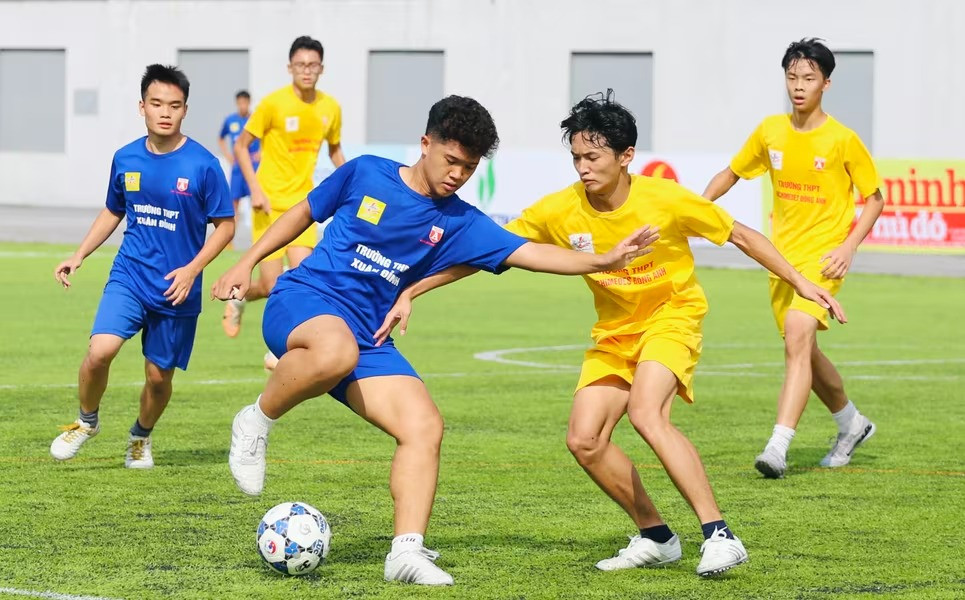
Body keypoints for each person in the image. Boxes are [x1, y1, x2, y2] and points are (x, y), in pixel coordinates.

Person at [375, 91, 846, 577]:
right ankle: (657, 537)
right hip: (616, 333)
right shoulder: (561, 209)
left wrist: (802, 283)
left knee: (646, 412)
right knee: (585, 440)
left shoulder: (666, 199)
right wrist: (414, 289)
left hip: (671, 317)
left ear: (625, 157)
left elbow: (742, 235)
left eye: (593, 157)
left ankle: (721, 536)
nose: (583, 167)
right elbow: (493, 251)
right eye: (577, 157)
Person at [211, 95, 659, 585]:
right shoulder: (366, 172)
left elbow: (531, 253)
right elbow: (302, 214)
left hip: (368, 337)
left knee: (424, 427)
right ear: (426, 144)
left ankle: (405, 552)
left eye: (469, 167)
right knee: (335, 349)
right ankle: (255, 420)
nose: (457, 175)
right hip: (303, 300)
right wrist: (246, 261)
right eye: (451, 160)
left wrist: (602, 260)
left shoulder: (461, 221)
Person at [702, 38, 884, 479]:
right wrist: (694, 209)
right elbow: (731, 173)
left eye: (808, 78)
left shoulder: (842, 139)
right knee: (804, 349)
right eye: (792, 77)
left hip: (823, 260)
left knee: (799, 335)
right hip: (780, 261)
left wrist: (848, 247)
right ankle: (852, 423)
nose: (799, 86)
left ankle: (777, 447)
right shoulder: (770, 131)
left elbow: (875, 198)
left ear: (826, 83)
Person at [50, 64, 234, 469]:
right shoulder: (126, 158)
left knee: (158, 378)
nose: (165, 112)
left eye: (174, 105)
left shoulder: (203, 165)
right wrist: (79, 254)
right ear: (142, 107)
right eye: (156, 103)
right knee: (100, 352)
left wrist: (192, 269)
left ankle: (140, 436)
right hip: (130, 276)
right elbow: (113, 210)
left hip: (176, 288)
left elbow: (226, 226)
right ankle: (86, 422)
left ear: (185, 110)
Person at [223, 35, 346, 372]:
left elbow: (335, 149)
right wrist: (255, 189)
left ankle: (280, 349)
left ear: (322, 69)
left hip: (304, 205)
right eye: (300, 65)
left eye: (313, 65)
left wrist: (352, 181)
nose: (307, 70)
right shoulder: (272, 104)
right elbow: (241, 146)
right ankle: (238, 299)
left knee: (304, 278)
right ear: (290, 67)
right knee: (269, 284)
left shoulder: (330, 108)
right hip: (268, 205)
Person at [218, 90, 260, 243]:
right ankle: (229, 240)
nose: (243, 106)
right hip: (237, 167)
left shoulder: (256, 119)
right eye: (240, 103)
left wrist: (261, 152)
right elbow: (221, 138)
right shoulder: (230, 120)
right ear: (237, 103)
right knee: (233, 202)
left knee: (256, 199)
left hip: (253, 165)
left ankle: (259, 237)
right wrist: (228, 155)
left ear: (249, 103)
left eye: (245, 102)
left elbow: (267, 136)